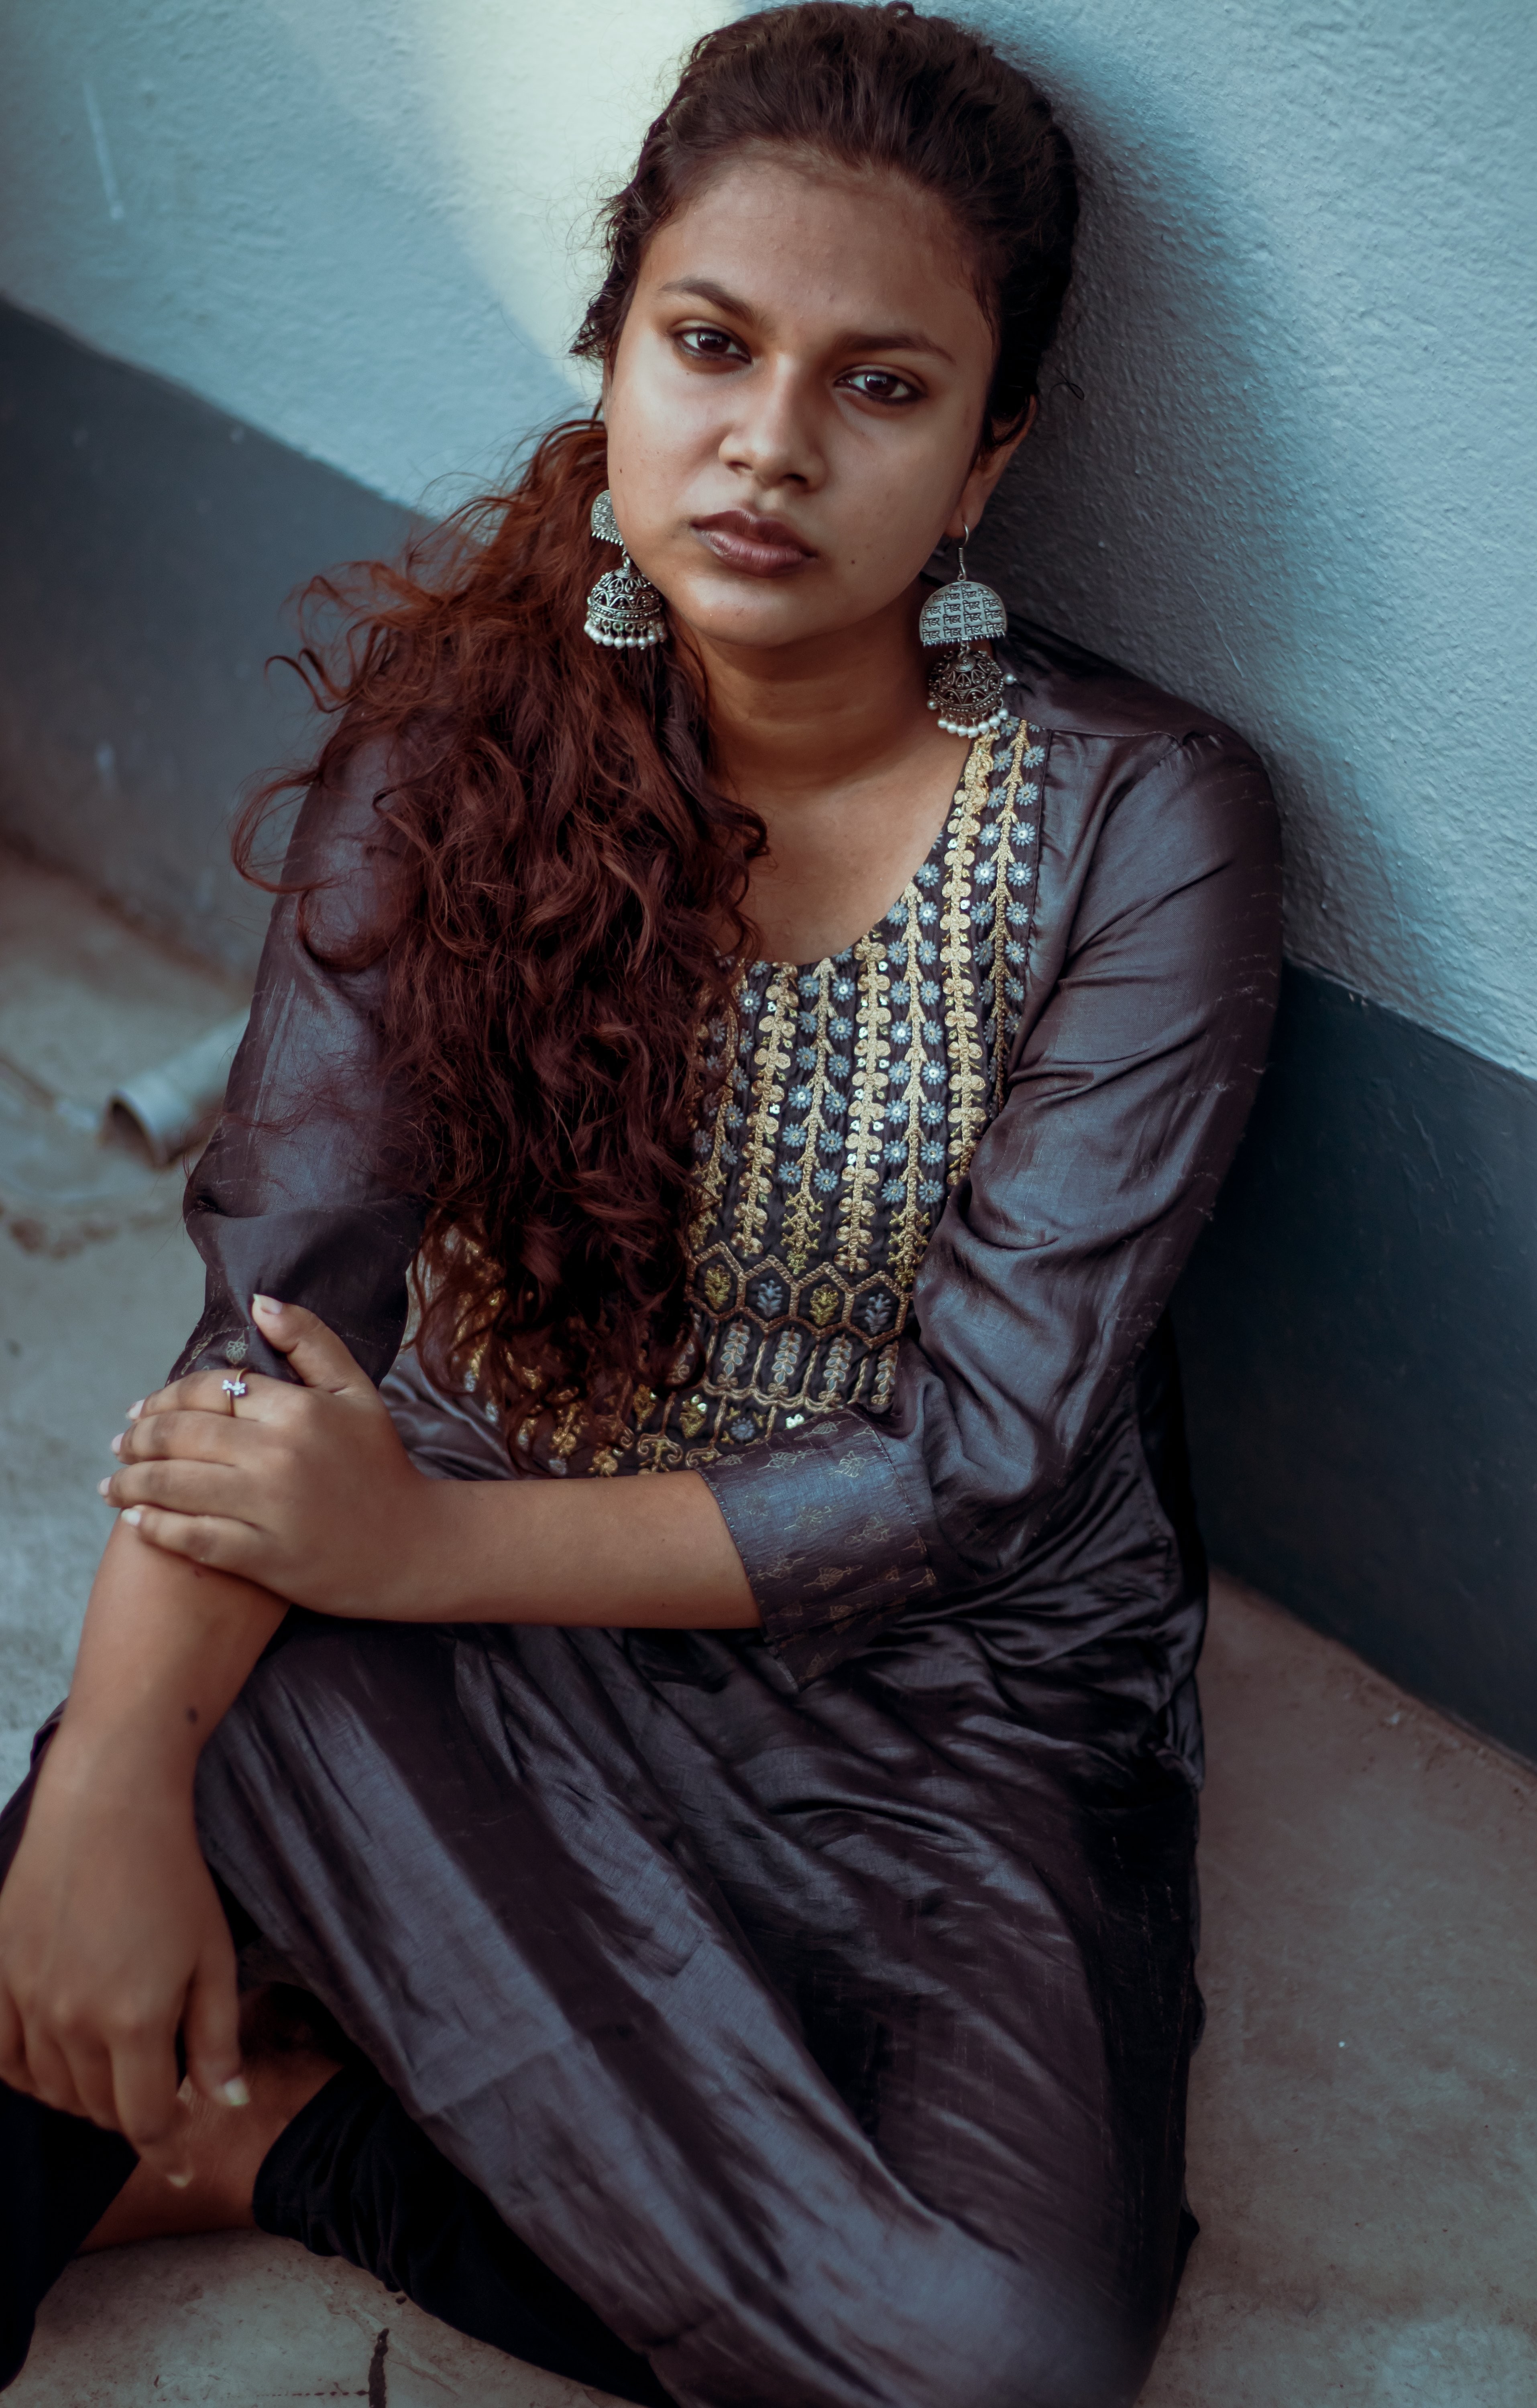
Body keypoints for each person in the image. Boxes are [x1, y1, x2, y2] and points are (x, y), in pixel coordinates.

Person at [0, 6, 1281, 2402]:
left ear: (992, 456)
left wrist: (408, 1564)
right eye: (710, 344)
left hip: (955, 1698)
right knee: (78, 1909)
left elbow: (975, 1467)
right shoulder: (456, 749)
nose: (771, 444)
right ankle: (272, 1980)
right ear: (612, 353)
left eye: (882, 389)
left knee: (995, 2364)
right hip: (458, 1595)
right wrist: (113, 1771)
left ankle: (284, 2141)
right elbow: (277, 1320)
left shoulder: (1141, 827)